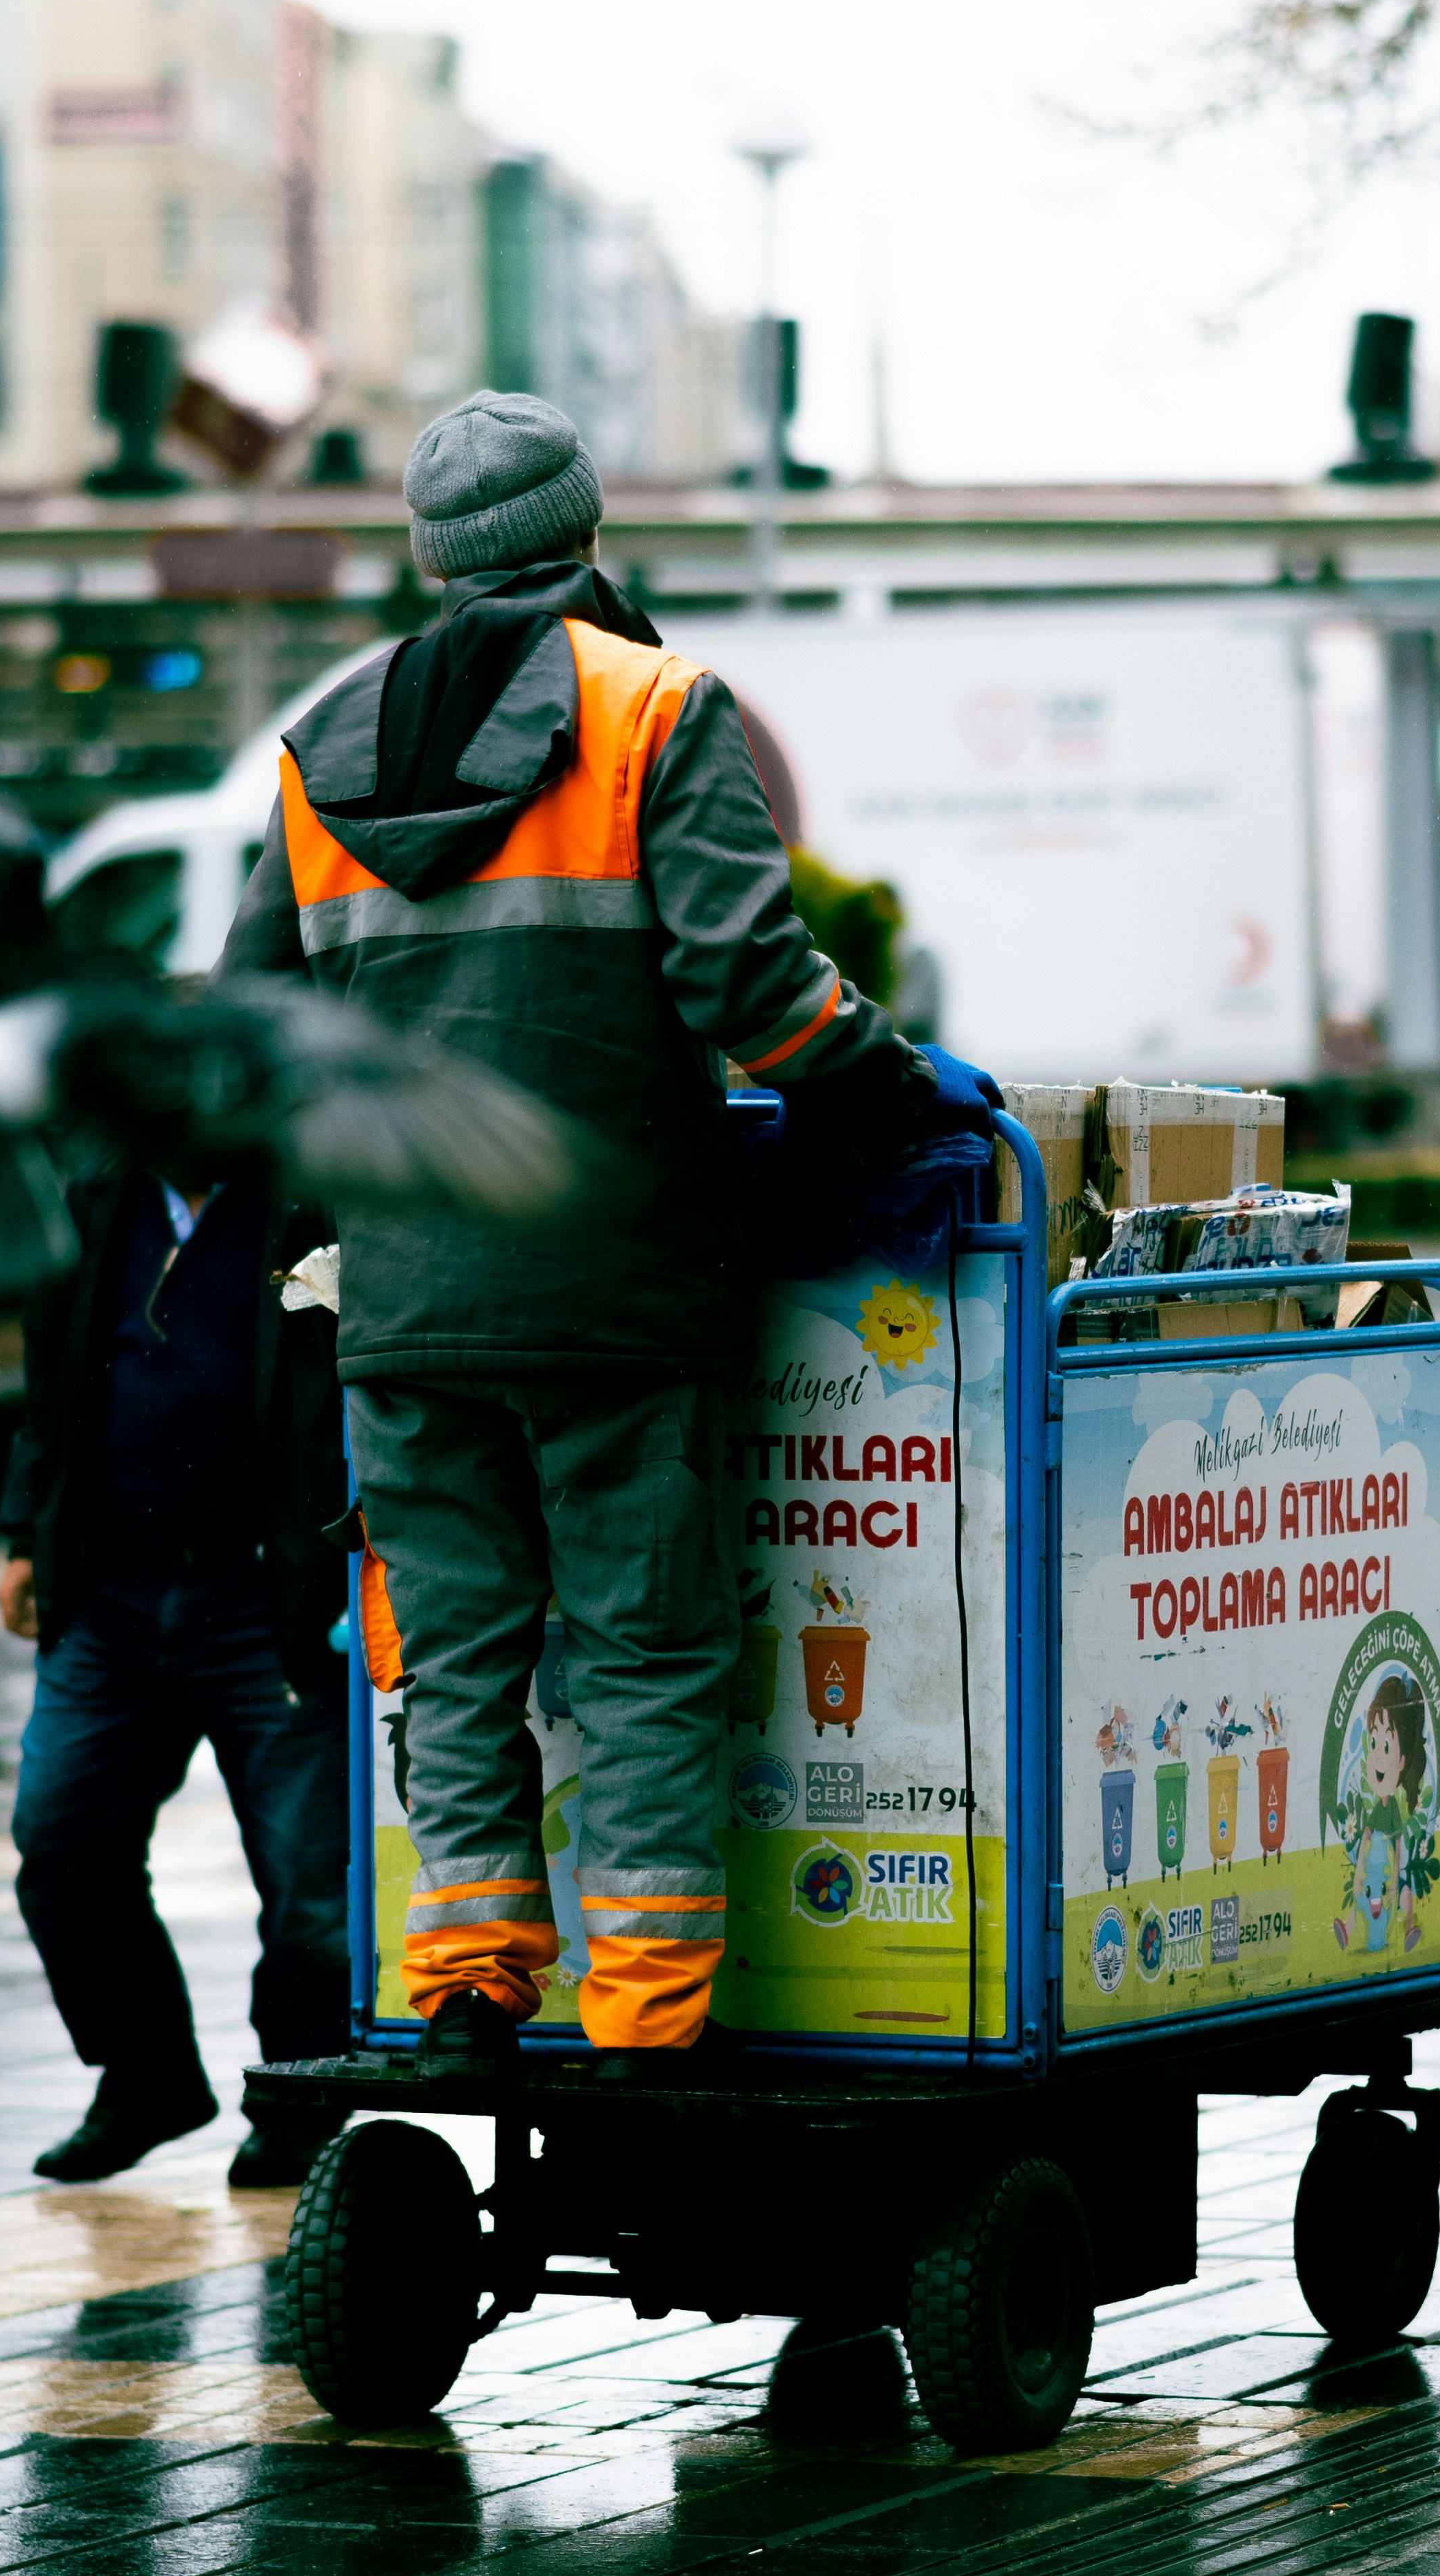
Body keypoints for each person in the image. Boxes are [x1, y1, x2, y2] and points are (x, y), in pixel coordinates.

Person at [214, 389, 946, 2071]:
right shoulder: (653, 708)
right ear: (588, 531)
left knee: (454, 1656)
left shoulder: (322, 739)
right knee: (645, 1650)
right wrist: (893, 1096)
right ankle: (645, 2014)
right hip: (612, 1293)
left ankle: (469, 1975)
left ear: (431, 556)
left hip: (404, 1299)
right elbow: (748, 982)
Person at [0, 1166, 353, 2182]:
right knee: (59, 1838)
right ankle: (146, 2075)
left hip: (265, 1597)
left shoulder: (308, 1197)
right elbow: (49, 1370)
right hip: (107, 1593)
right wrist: (27, 1532)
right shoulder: (95, 1196)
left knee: (307, 1888)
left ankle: (298, 2093)